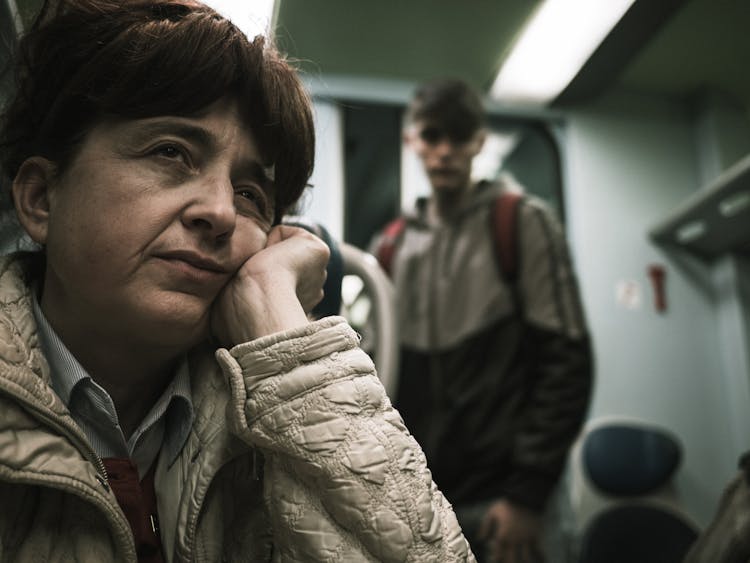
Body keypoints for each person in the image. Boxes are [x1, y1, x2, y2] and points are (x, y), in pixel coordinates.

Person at [0, 2, 476, 561]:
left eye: (252, 194)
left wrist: (283, 341)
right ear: (40, 199)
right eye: (171, 152)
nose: (223, 212)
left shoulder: (268, 428)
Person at [371, 78, 593, 562]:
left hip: (507, 503)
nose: (445, 150)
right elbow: (377, 382)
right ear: (414, 141)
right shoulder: (389, 247)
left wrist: (527, 495)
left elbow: (567, 362)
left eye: (459, 135)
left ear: (479, 141)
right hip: (424, 503)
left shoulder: (522, 222)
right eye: (433, 136)